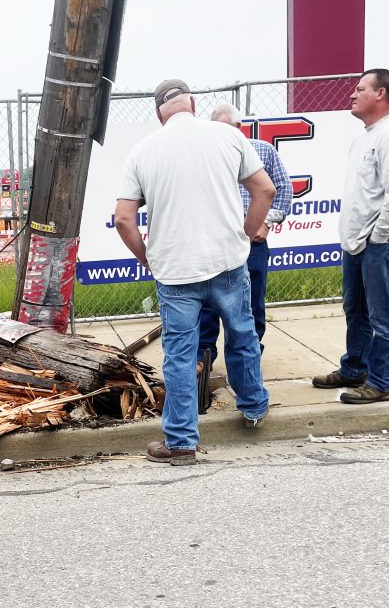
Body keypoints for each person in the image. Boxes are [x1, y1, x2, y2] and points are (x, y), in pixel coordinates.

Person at [114, 79, 275, 466]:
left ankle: (182, 440)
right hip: (228, 261)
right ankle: (253, 407)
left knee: (180, 355)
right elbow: (265, 190)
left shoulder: (142, 152)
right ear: (193, 103)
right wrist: (245, 234)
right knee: (243, 333)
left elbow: (123, 219)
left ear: (159, 113)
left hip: (176, 273)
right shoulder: (227, 137)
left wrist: (146, 257)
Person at [312, 68, 389, 404]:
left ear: (381, 94)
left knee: (382, 313)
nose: (352, 94)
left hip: (383, 242)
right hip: (359, 242)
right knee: (355, 308)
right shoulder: (364, 138)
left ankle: (383, 381)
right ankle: (355, 368)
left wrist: (379, 236)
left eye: (360, 89)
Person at [199, 103, 292, 365]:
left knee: (251, 304)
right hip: (213, 242)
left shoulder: (262, 150)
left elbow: (283, 190)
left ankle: (249, 361)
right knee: (207, 304)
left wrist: (264, 222)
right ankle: (203, 362)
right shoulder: (204, 155)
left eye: (231, 129)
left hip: (252, 242)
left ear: (241, 128)